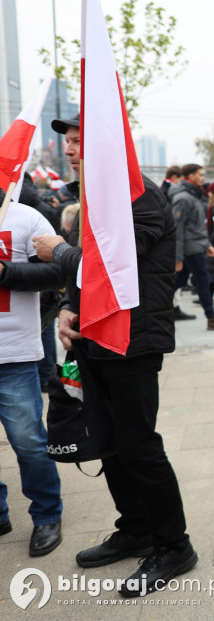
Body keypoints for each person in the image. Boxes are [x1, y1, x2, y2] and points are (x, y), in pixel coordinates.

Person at [33, 114, 198, 597]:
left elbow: (109, 267)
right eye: (66, 141)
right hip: (93, 338)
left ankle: (173, 545)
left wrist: (58, 252)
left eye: (80, 140)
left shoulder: (139, 196)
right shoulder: (92, 198)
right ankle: (137, 528)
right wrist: (67, 309)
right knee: (108, 440)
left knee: (139, 444)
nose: (69, 148)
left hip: (133, 340)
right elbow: (85, 281)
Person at [0, 198, 66, 557]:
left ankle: (46, 514)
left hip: (13, 355)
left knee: (28, 442)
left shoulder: (26, 217)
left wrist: (4, 272)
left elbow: (59, 273)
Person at [168, 164, 214, 331]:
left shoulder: (192, 196)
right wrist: (177, 257)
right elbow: (178, 228)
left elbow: (196, 226)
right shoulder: (184, 198)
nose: (203, 178)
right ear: (191, 176)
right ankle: (211, 317)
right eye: (200, 174)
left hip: (196, 246)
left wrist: (206, 245)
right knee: (203, 280)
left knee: (179, 281)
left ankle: (155, 308)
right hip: (191, 249)